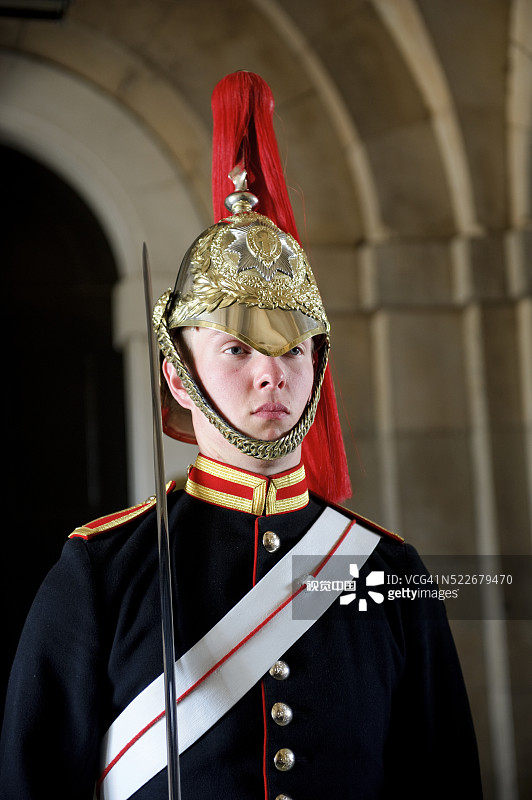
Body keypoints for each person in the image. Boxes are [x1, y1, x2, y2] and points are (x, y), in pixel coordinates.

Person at [0, 71, 482, 800]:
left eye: (292, 350)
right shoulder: (100, 571)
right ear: (176, 375)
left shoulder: (389, 569)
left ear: (319, 364)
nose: (271, 375)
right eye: (237, 349)